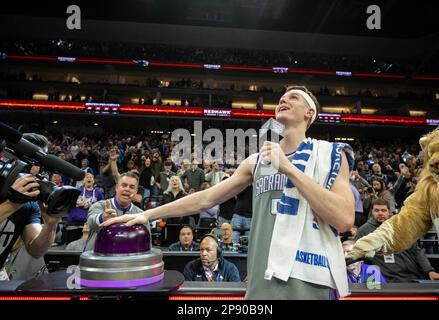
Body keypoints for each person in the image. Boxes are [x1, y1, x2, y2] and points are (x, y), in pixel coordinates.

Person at [103, 85, 355, 299]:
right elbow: (206, 198)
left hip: (310, 277)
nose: (284, 100)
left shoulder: (330, 154)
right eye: (282, 98)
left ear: (309, 113)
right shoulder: (257, 161)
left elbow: (344, 219)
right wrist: (148, 215)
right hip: (263, 275)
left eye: (294, 97)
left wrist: (289, 169)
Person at [0, 133, 61, 271]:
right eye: (35, 160)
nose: (39, 168)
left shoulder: (30, 203)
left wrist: (50, 225)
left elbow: (36, 251)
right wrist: (13, 203)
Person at [355, 198, 439, 282]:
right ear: (372, 212)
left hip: (410, 276)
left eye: (383, 210)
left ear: (389, 212)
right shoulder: (364, 231)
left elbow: (416, 251)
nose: (380, 213)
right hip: (382, 278)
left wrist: (429, 270)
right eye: (376, 210)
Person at [85, 172, 146, 251]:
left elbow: (146, 244)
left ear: (136, 191)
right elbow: (91, 221)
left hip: (126, 260)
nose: (127, 189)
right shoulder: (100, 205)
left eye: (131, 187)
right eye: (124, 185)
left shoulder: (140, 215)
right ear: (117, 187)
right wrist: (102, 218)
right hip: (97, 260)